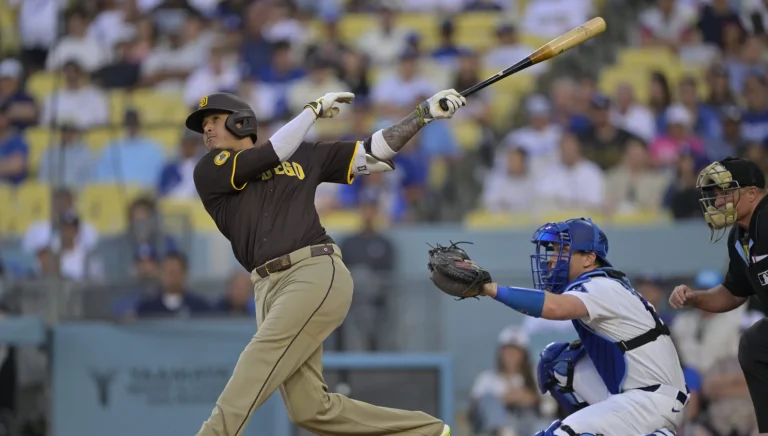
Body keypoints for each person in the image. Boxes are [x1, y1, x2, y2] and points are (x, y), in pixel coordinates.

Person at [186, 88, 465, 436]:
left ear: (241, 121)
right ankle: (426, 431)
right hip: (267, 289)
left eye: (214, 120)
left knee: (257, 361)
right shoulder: (209, 169)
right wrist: (311, 112)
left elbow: (371, 152)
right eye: (204, 125)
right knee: (310, 409)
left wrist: (422, 115)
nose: (207, 130)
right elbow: (268, 155)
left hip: (313, 271)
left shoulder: (302, 154)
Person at [477, 218, 688, 435]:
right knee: (558, 364)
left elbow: (555, 308)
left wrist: (491, 290)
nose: (552, 260)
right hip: (644, 393)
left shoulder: (601, 285)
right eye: (554, 250)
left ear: (589, 258)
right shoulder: (602, 283)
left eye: (564, 250)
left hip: (652, 400)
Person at [669, 156, 768, 434]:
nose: (719, 201)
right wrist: (695, 298)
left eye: (726, 192)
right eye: (716, 194)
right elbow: (734, 293)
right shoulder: (740, 237)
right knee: (755, 343)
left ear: (751, 193)